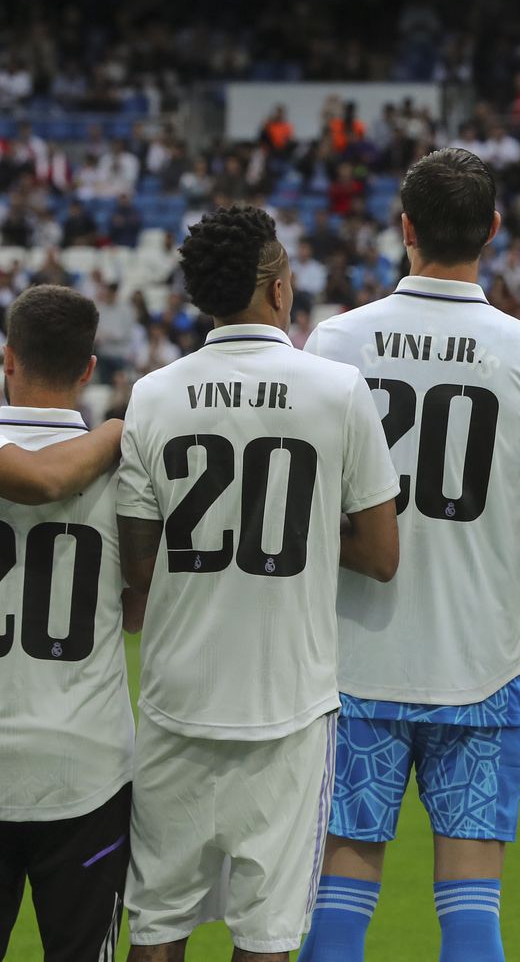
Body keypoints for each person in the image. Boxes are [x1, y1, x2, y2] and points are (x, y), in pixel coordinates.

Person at [300, 148, 520, 962]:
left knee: (340, 904)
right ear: (493, 230)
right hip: (481, 666)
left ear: (404, 227)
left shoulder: (336, 341)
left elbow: (312, 506)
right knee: (472, 909)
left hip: (355, 661)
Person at [115, 205, 402, 962]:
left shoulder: (153, 394)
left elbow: (137, 564)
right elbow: (381, 552)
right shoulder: (337, 390)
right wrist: (297, 527)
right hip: (288, 705)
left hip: (178, 698)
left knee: (156, 925)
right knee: (267, 935)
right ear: (278, 290)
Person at [0, 286, 138, 962]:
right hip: (87, 771)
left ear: (7, 359)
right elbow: (140, 608)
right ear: (89, 369)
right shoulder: (127, 470)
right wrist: (116, 429)